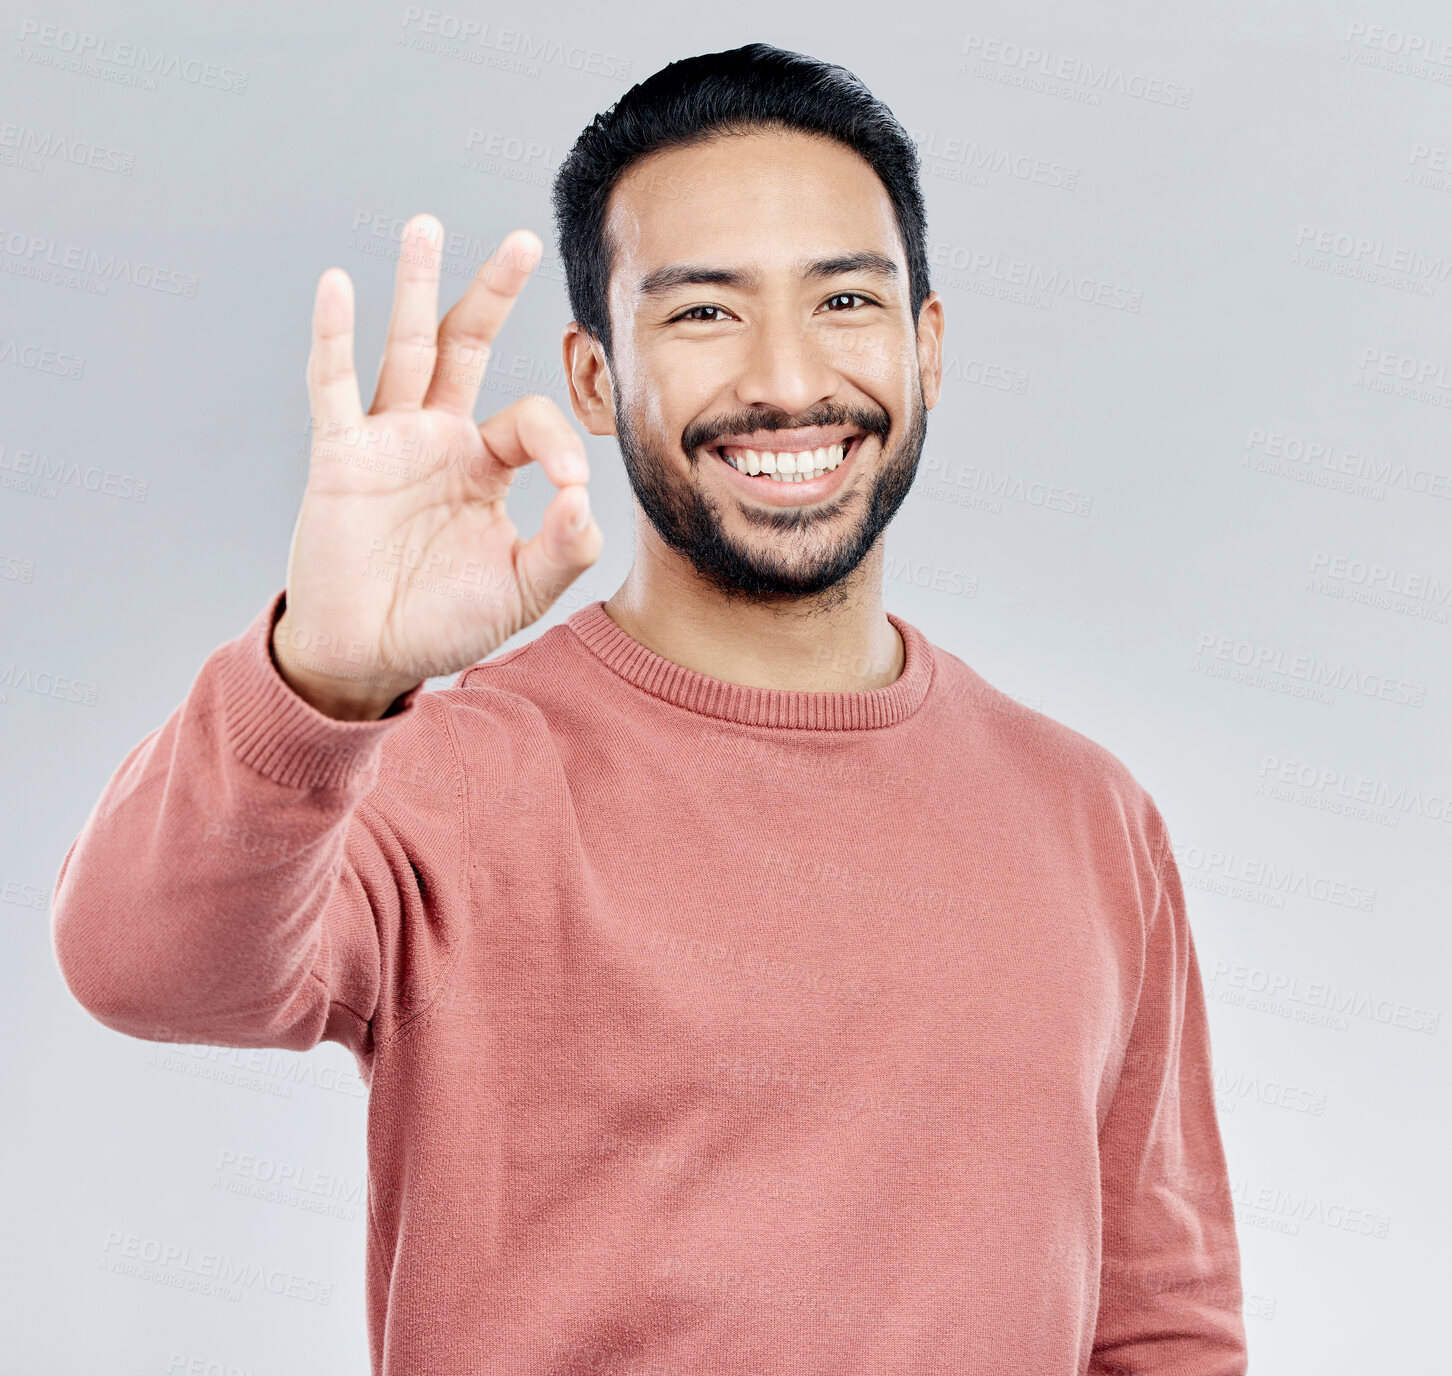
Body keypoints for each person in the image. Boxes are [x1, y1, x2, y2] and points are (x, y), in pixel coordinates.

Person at [50, 42, 1248, 1376]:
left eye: (845, 299)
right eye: (702, 314)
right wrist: (322, 675)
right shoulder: (440, 777)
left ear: (928, 346)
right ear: (593, 379)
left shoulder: (1087, 813)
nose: (789, 380)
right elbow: (140, 967)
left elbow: (1164, 1324)